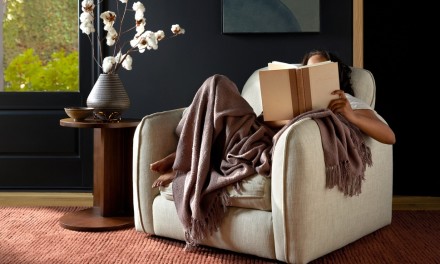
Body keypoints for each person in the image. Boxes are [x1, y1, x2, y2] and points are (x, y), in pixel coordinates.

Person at [150, 49, 396, 188]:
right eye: (307, 71)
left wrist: (350, 115)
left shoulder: (350, 102)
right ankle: (190, 155)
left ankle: (185, 162)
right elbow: (263, 123)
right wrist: (284, 113)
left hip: (271, 144)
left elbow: (389, 136)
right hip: (256, 132)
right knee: (217, 84)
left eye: (319, 70)